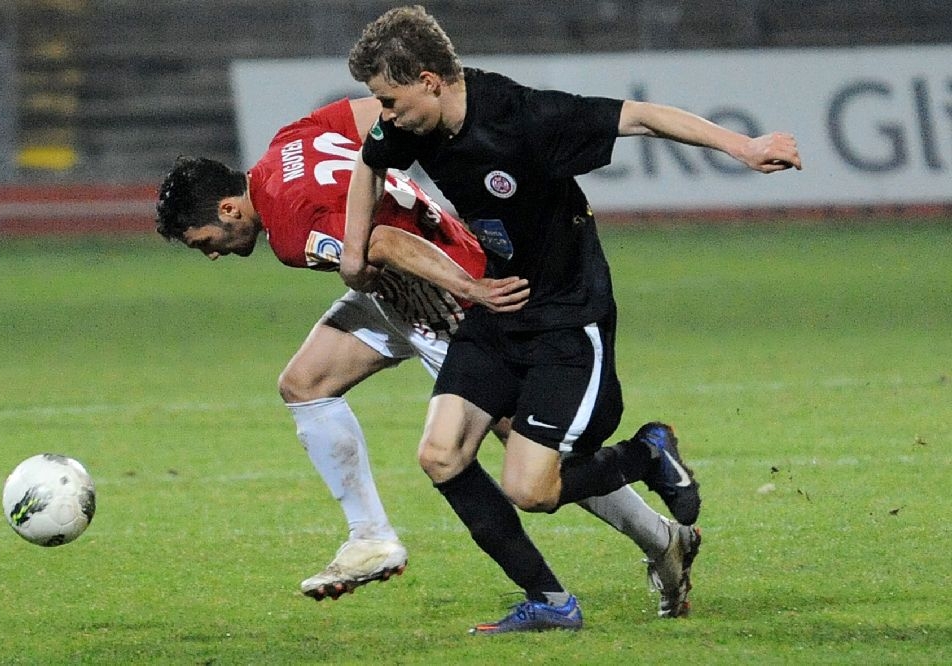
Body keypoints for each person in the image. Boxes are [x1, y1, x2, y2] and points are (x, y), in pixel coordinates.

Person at [345, 5, 801, 633]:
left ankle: (646, 453)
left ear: (429, 79)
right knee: (441, 457)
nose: (384, 115)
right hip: (497, 309)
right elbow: (368, 164)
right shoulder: (409, 126)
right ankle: (552, 603)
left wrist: (743, 146)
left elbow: (640, 117)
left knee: (531, 491)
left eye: (390, 100)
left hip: (566, 320)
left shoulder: (524, 116)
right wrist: (351, 252)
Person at [154, 96, 701, 617]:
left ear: (228, 208)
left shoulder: (292, 233)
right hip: (397, 295)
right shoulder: (290, 142)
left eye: (205, 241)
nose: (211, 254)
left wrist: (470, 286)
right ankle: (370, 537)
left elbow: (387, 242)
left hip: (448, 300)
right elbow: (383, 114)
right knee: (303, 383)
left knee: (529, 460)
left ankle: (661, 536)